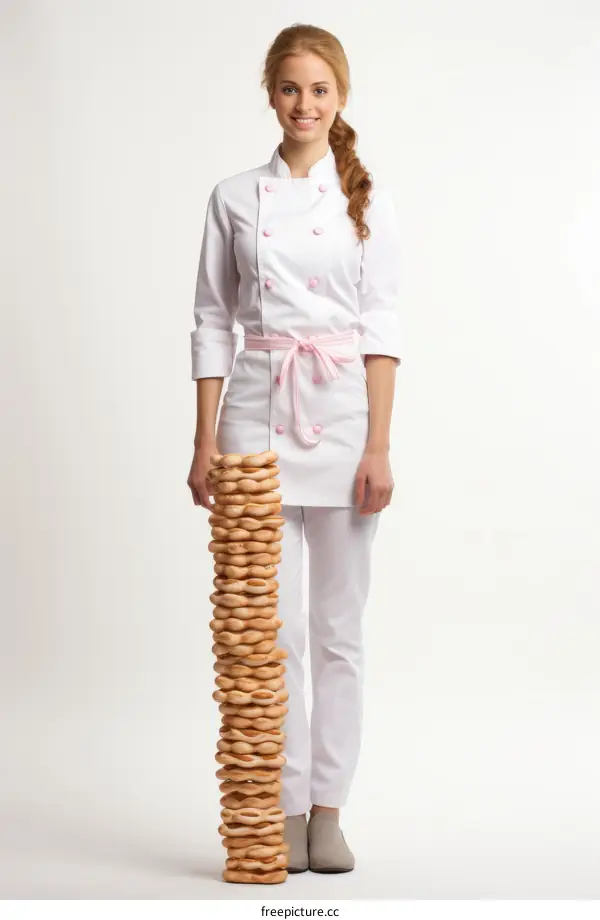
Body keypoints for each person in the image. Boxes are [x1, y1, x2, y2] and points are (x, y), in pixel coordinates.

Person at [187, 23, 402, 874]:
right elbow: (210, 319)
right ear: (269, 95)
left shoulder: (371, 200)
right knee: (266, 633)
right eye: (289, 88)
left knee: (340, 628)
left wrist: (379, 444)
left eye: (319, 89)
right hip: (254, 415)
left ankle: (328, 808)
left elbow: (384, 330)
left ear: (340, 97)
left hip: (344, 420)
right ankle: (275, 803)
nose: (304, 104)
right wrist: (203, 439)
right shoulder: (233, 197)